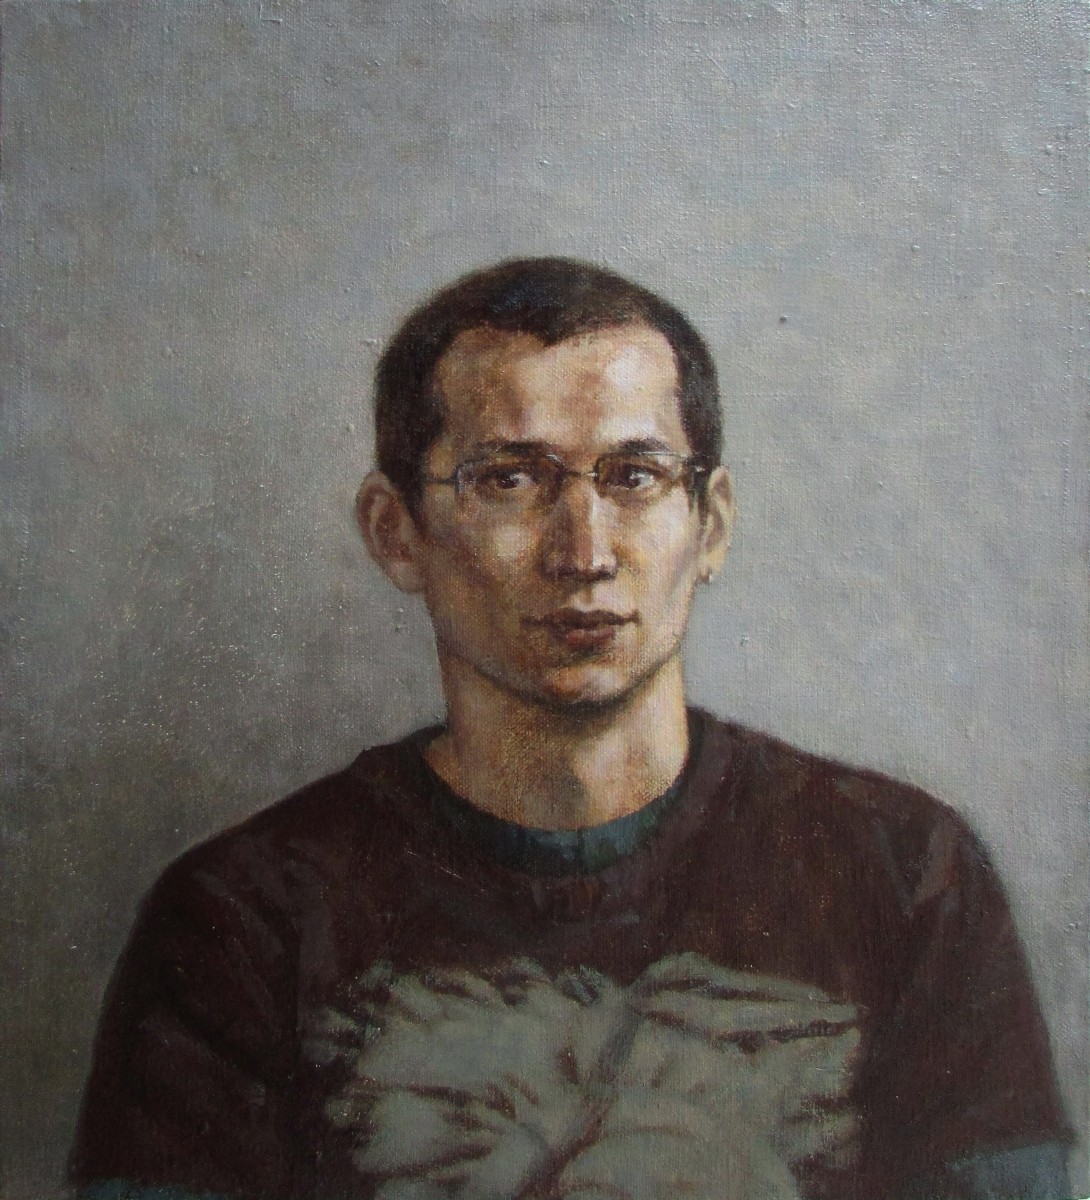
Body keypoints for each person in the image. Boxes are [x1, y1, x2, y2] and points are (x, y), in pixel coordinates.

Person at [70, 258, 1072, 1200]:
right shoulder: (244, 917)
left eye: (634, 477)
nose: (583, 551)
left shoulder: (905, 871)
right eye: (510, 479)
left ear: (710, 523)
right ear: (394, 531)